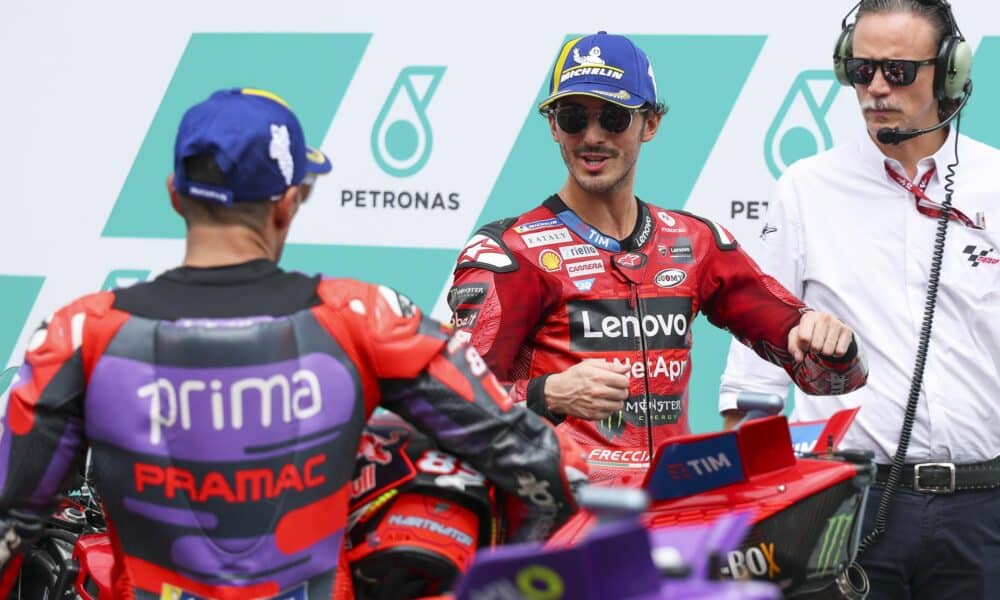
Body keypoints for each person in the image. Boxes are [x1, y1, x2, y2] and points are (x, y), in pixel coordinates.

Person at [0, 87, 588, 598]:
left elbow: (10, 524)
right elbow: (533, 459)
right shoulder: (364, 317)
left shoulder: (82, 334)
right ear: (288, 201)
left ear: (175, 194)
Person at [447, 31, 868, 482]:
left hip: (670, 518)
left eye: (613, 117)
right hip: (558, 522)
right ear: (553, 126)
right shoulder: (511, 252)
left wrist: (829, 341)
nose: (591, 137)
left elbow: (829, 379)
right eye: (572, 117)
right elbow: (450, 408)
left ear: (650, 124)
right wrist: (548, 394)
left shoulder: (695, 242)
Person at [719, 1, 1000, 597]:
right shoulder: (805, 188)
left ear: (950, 72)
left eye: (898, 71)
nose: (875, 87)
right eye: (860, 68)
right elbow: (752, 375)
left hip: (985, 509)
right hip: (847, 502)